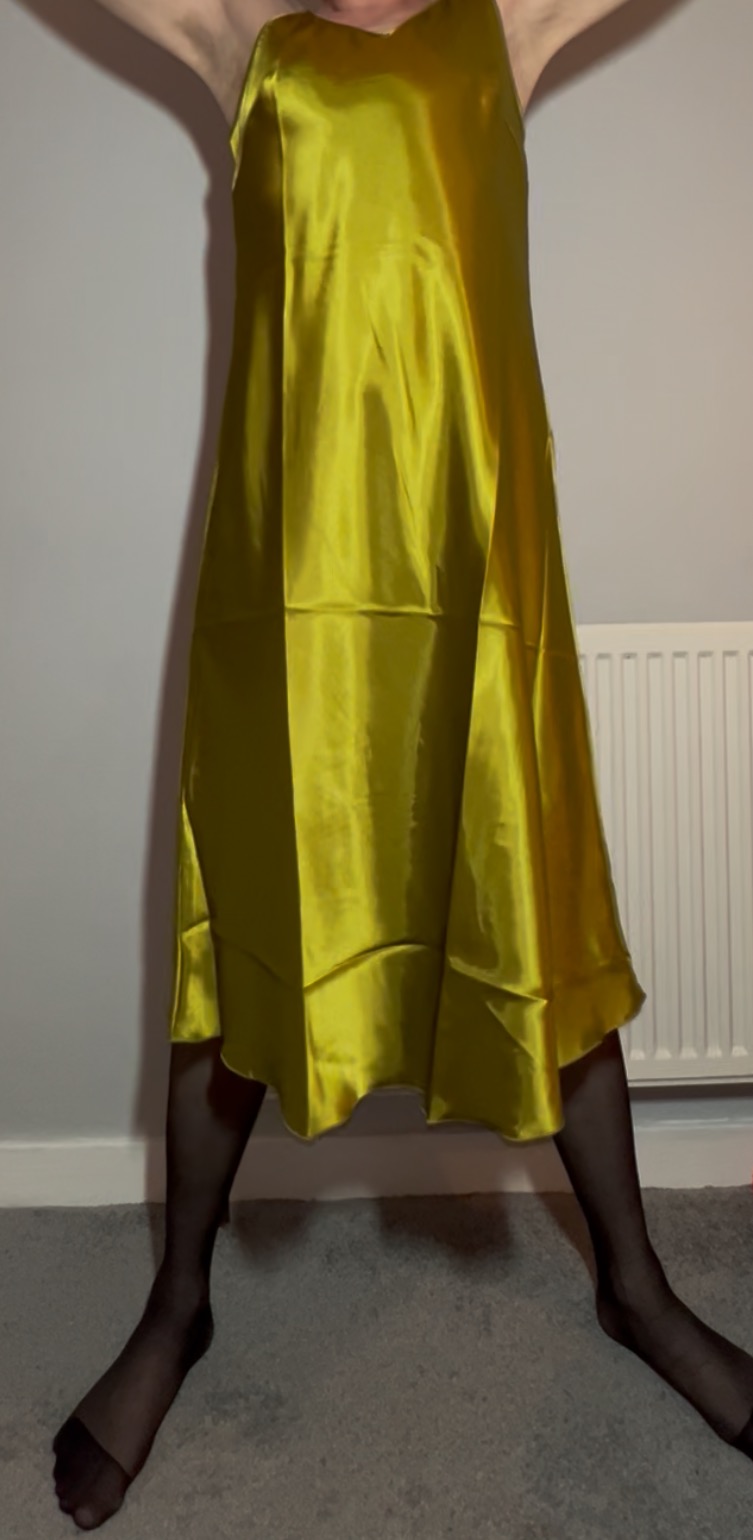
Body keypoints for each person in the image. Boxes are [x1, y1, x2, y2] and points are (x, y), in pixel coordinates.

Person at [48, 0, 753, 1530]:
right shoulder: (238, 30)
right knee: (245, 936)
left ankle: (635, 1286)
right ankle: (177, 1306)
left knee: (536, 914)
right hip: (288, 592)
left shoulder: (507, 24)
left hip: (473, 578)